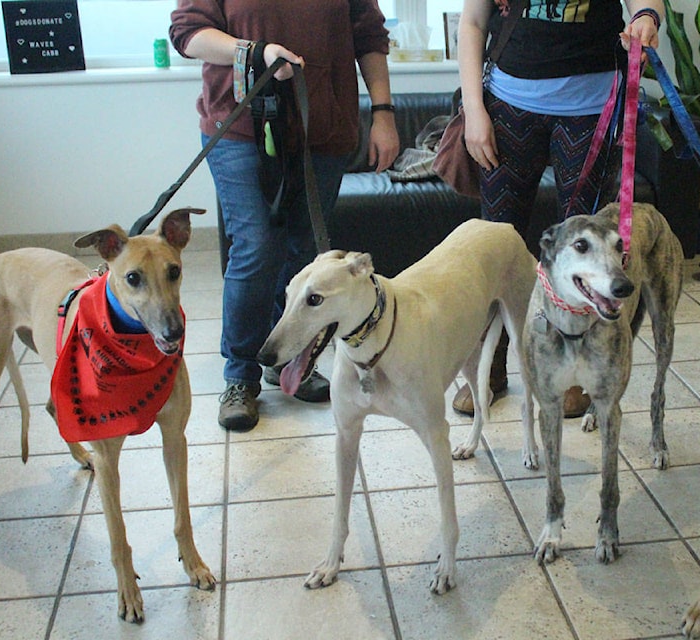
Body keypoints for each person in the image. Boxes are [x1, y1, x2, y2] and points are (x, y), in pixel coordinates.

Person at [170, 0, 400, 431]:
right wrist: (254, 52)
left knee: (306, 252)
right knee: (257, 246)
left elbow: (368, 35)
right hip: (240, 126)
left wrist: (383, 113)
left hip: (324, 128)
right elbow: (188, 33)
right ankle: (240, 376)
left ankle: (291, 360)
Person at [453, 0, 664, 418]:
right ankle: (489, 370)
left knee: (584, 253)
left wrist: (646, 18)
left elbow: (646, 3)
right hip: (507, 107)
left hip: (592, 110)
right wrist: (474, 110)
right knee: (496, 246)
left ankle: (572, 373)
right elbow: (473, 22)